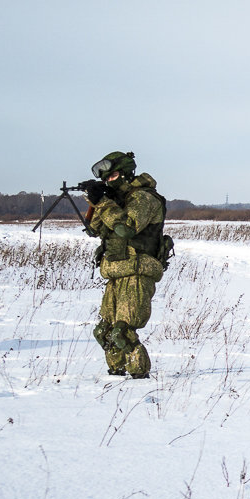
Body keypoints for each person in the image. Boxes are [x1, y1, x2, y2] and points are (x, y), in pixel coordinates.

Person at [86, 151, 169, 378]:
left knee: (122, 333)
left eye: (112, 177)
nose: (108, 182)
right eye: (105, 180)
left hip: (137, 270)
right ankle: (115, 373)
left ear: (124, 173)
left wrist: (104, 203)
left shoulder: (144, 198)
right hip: (115, 269)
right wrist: (98, 202)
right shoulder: (118, 202)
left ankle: (140, 380)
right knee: (104, 332)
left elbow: (127, 228)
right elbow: (94, 229)